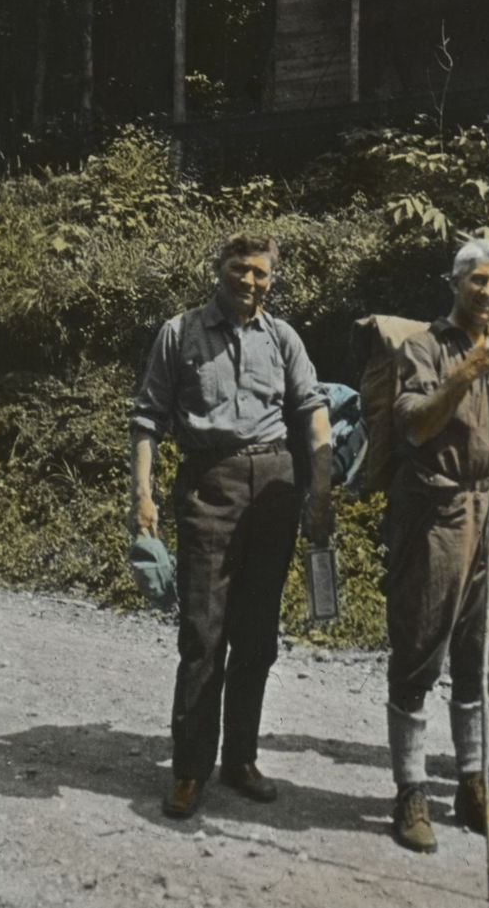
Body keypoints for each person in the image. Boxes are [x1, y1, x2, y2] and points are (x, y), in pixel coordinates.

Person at [129, 231, 332, 820]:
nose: (249, 281)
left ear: (272, 279)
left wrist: (320, 487)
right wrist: (142, 495)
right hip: (208, 486)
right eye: (240, 269)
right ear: (218, 269)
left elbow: (312, 410)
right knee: (202, 633)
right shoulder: (180, 332)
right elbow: (146, 418)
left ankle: (240, 759)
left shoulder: (284, 337)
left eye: (261, 273)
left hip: (274, 486)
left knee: (257, 635)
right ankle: (191, 770)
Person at [385, 239, 489, 855]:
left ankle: (473, 785)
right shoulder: (423, 346)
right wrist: (463, 375)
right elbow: (416, 424)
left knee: (480, 656)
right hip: (436, 510)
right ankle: (411, 790)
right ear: (455, 283)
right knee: (420, 650)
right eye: (479, 281)